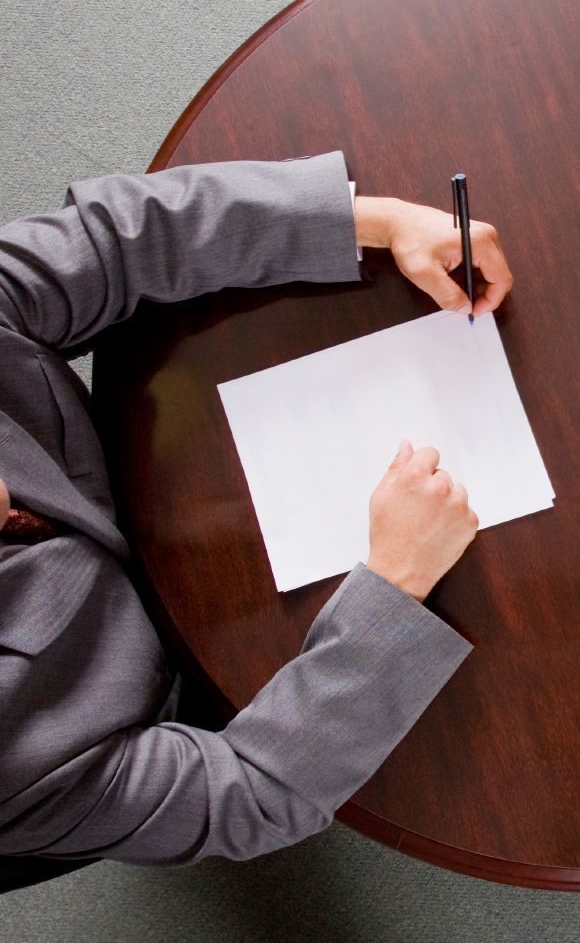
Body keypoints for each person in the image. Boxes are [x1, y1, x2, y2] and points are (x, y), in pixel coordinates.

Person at [0, 151, 513, 865]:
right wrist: (396, 585)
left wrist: (372, 222)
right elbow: (248, 796)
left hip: (161, 476)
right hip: (144, 704)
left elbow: (118, 242)